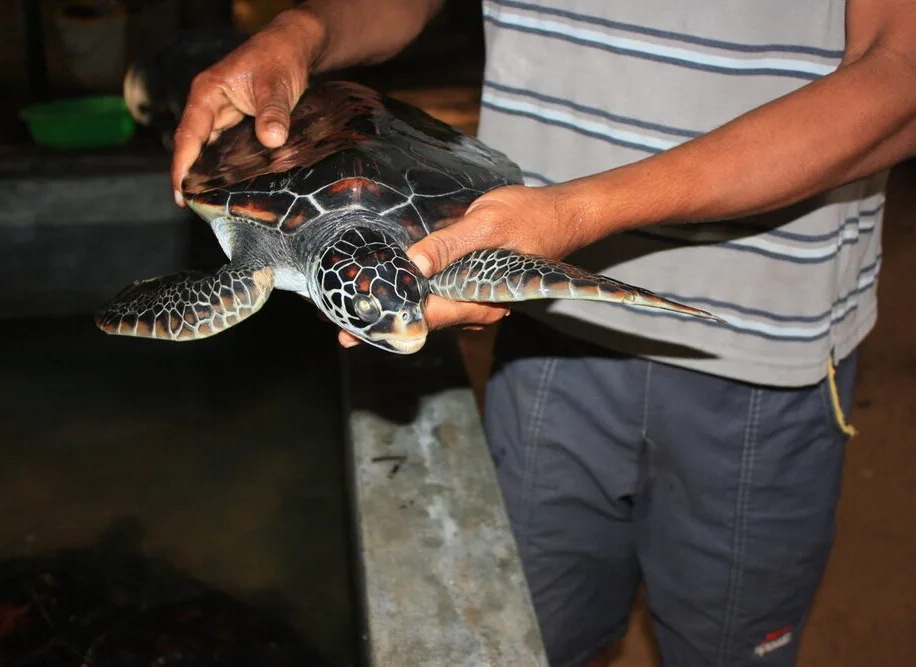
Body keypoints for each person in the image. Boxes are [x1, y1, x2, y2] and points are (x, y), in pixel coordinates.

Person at [170, 2, 916, 665]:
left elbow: (901, 72)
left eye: (393, 309)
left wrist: (577, 215)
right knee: (539, 629)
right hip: (547, 340)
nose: (400, 331)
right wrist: (302, 27)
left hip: (761, 340)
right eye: (377, 314)